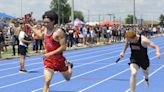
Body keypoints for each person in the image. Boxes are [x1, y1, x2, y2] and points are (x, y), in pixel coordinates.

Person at [27, 10, 73, 92]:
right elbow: (41, 36)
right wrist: (31, 28)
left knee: (68, 78)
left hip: (59, 60)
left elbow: (63, 47)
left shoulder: (59, 32)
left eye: (47, 22)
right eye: (44, 22)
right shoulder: (45, 29)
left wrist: (50, 53)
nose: (45, 24)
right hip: (49, 60)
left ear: (53, 21)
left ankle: (69, 65)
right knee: (47, 81)